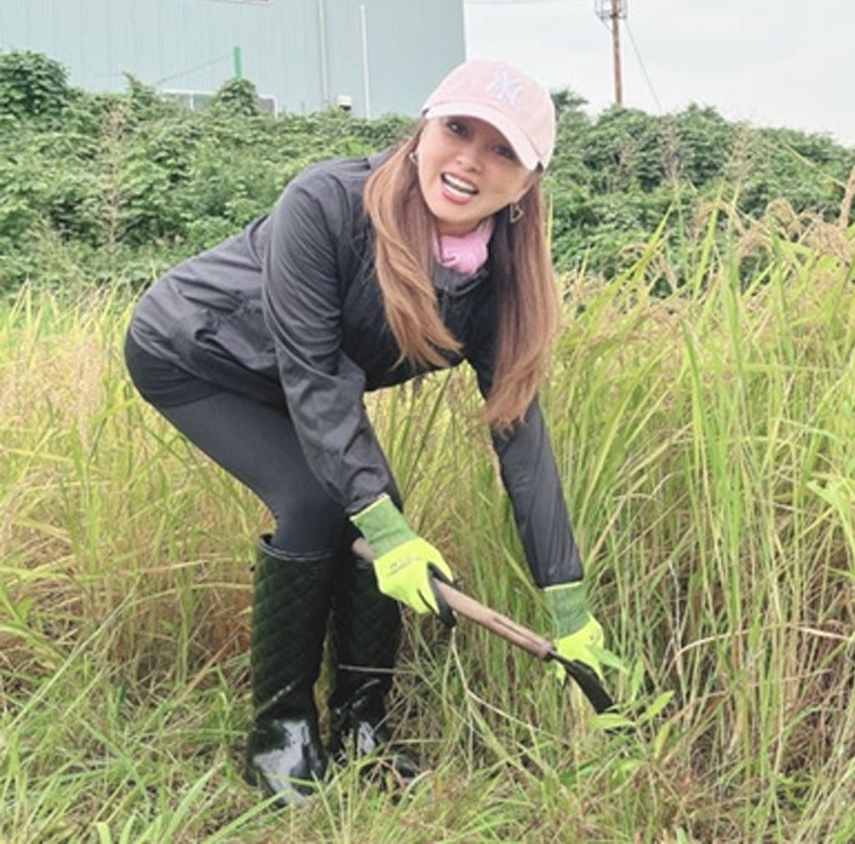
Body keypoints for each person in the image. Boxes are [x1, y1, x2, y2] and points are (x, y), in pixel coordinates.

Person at [123, 59, 606, 805]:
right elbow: (315, 376)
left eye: (502, 149)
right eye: (457, 129)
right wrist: (382, 527)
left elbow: (521, 439)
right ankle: (280, 732)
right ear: (423, 128)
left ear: (528, 182)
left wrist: (569, 607)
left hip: (297, 379)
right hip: (194, 350)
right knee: (321, 503)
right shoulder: (327, 202)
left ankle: (363, 727)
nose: (470, 160)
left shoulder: (495, 282)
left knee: (377, 502)